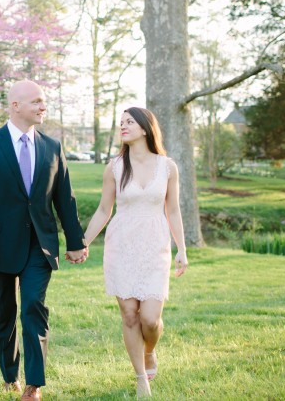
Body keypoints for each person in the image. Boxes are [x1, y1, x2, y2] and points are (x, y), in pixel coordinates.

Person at [0, 80, 89, 401]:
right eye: (36, 101)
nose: (42, 107)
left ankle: (34, 385)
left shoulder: (52, 147)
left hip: (40, 245)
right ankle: (10, 375)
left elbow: (65, 199)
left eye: (43, 101)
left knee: (34, 305)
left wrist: (75, 242)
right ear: (15, 106)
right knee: (4, 312)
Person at [82, 107, 188, 398]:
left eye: (129, 122)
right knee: (130, 315)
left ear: (145, 128)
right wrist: (84, 242)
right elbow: (104, 209)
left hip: (155, 245)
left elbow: (173, 210)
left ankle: (149, 351)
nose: (123, 127)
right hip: (122, 244)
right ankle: (141, 377)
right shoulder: (115, 166)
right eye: (121, 123)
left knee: (150, 319)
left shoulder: (167, 167)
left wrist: (182, 249)